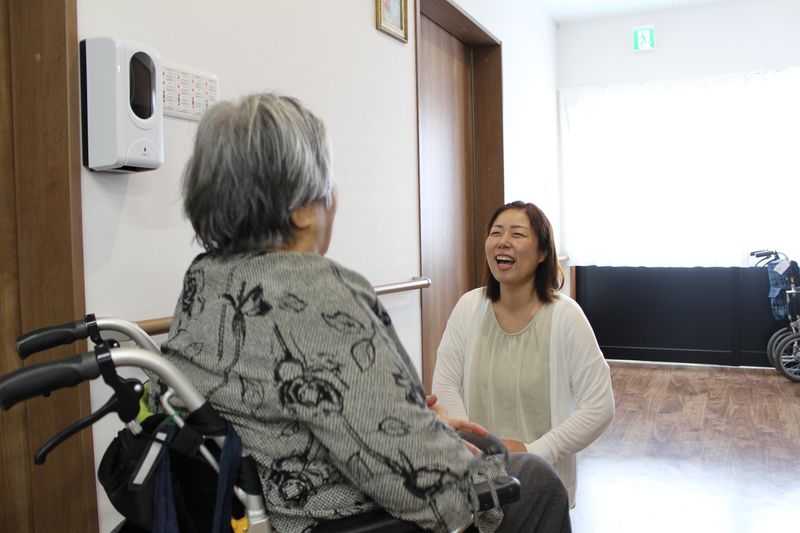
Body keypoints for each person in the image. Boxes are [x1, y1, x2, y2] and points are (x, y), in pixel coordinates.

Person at [151, 93, 571, 532]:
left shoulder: (203, 280)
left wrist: (414, 419)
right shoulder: (317, 292)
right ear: (300, 209)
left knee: (487, 448)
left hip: (247, 502)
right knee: (537, 481)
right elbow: (430, 486)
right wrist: (431, 437)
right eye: (328, 182)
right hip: (324, 516)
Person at [432, 201, 615, 508]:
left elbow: (599, 406)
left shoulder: (566, 317)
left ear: (542, 252)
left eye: (517, 234)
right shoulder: (468, 307)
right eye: (496, 233)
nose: (503, 241)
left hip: (542, 480)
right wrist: (469, 446)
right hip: (474, 477)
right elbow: (446, 383)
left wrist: (532, 452)